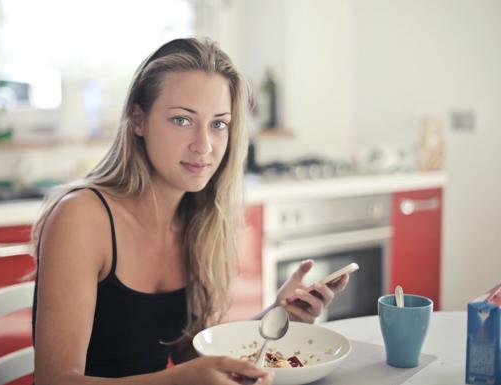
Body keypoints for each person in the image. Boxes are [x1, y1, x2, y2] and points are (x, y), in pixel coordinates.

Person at [32, 38, 350, 385]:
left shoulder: (197, 220)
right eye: (182, 120)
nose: (204, 145)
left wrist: (277, 315)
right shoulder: (82, 217)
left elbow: (187, 356)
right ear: (138, 120)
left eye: (218, 124)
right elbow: (54, 381)